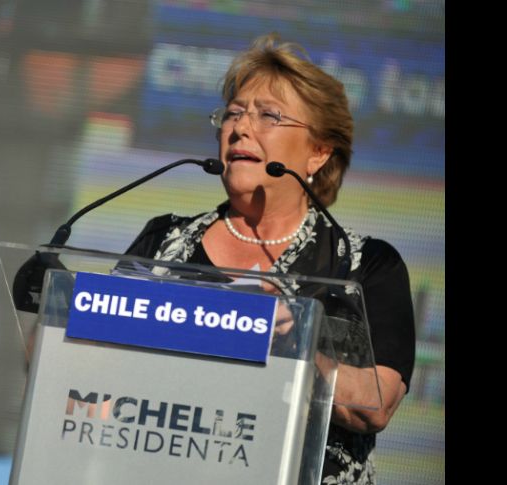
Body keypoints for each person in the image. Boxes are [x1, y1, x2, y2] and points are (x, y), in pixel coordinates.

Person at [124, 34, 415, 484]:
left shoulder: (362, 266)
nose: (241, 128)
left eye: (268, 116)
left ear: (319, 152)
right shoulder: (164, 242)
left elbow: (377, 404)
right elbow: (94, 367)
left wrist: (297, 348)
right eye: (234, 113)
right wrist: (48, 318)